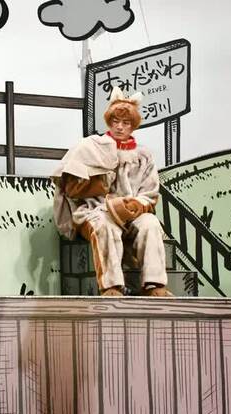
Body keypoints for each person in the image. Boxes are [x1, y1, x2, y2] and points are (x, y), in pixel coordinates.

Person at [53, 87, 172, 296]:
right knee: (104, 225)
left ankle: (154, 285)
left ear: (132, 126)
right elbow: (71, 186)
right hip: (95, 209)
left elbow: (150, 192)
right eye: (115, 121)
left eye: (125, 123)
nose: (119, 127)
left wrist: (134, 206)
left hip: (132, 213)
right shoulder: (92, 147)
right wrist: (98, 182)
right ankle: (111, 286)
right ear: (109, 122)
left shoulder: (143, 156)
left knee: (151, 224)